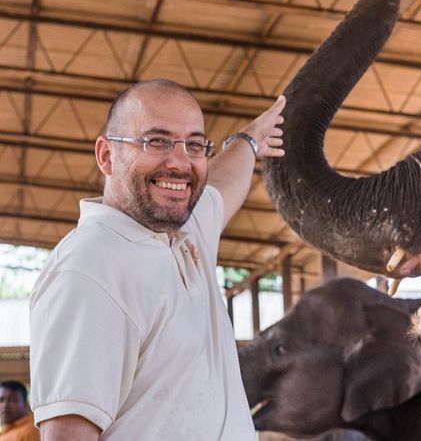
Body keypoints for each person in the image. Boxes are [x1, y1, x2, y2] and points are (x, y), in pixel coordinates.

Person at [29, 79, 286, 440]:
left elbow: (224, 183)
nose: (180, 162)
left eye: (194, 144)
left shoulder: (184, 235)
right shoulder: (89, 267)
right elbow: (67, 434)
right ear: (106, 156)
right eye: (157, 141)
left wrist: (248, 139)